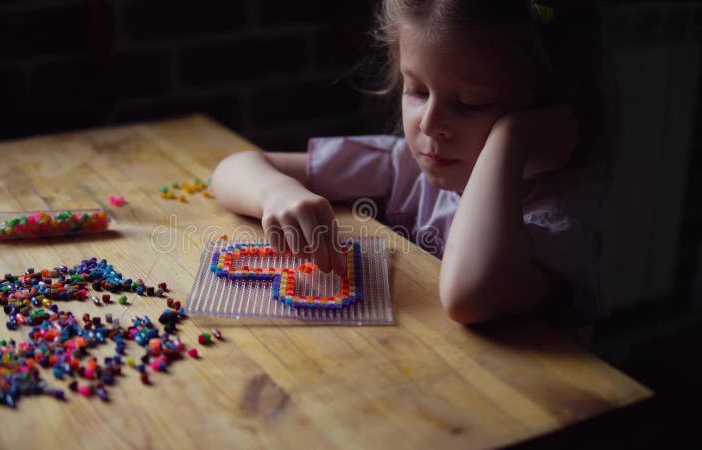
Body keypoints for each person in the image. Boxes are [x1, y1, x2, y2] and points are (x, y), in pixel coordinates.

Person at [211, 0, 608, 327]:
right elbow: (232, 168)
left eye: (468, 103)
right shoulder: (403, 164)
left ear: (548, 112)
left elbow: (469, 297)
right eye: (417, 91)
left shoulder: (556, 219)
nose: (430, 123)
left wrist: (509, 141)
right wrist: (277, 193)